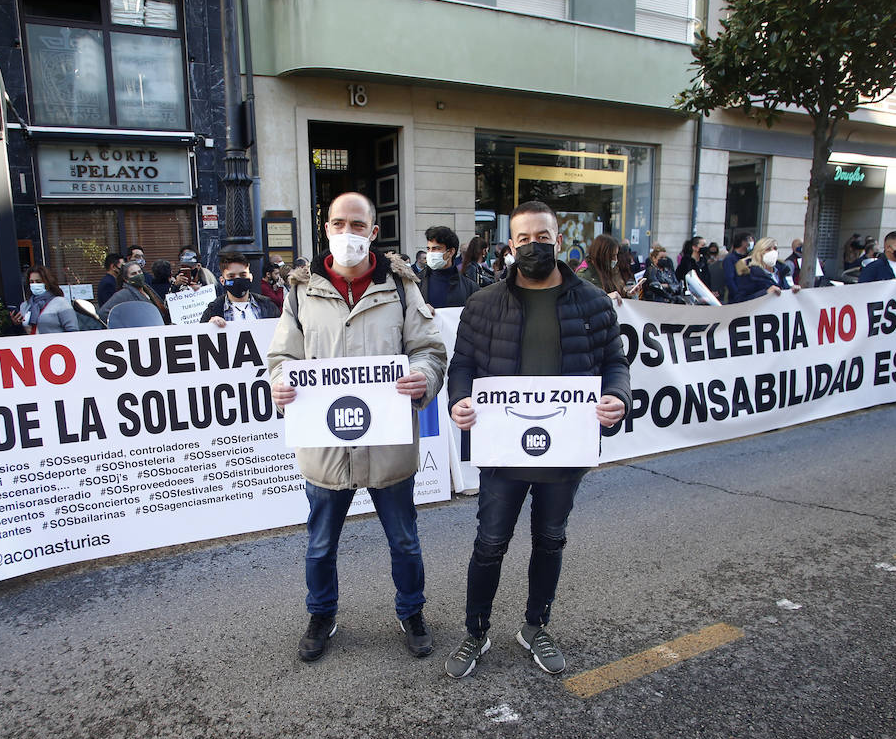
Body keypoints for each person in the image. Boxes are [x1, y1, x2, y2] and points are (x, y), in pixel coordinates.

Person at [443, 200, 631, 679]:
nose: (533, 246)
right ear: (510, 245)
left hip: (565, 451)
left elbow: (614, 362)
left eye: (542, 237)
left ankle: (535, 626)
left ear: (559, 241)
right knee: (490, 543)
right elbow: (462, 365)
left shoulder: (593, 302)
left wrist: (617, 397)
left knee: (550, 540)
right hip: (502, 451)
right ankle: (475, 631)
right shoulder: (483, 303)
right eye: (523, 239)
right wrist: (459, 400)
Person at [267, 192, 447, 664]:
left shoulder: (401, 287)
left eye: (358, 224)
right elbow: (282, 357)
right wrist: (281, 384)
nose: (348, 232)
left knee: (404, 541)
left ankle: (412, 612)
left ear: (373, 231)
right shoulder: (301, 291)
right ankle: (321, 615)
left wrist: (422, 377)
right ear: (326, 228)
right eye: (339, 223)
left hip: (388, 447)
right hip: (326, 450)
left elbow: (429, 350)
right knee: (320, 545)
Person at [202, 251, 281, 324]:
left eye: (243, 275)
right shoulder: (212, 311)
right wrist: (210, 327)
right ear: (222, 281)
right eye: (231, 276)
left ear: (250, 277)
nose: (238, 279)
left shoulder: (268, 307)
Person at [419, 225, 480, 310]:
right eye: (428, 249)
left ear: (451, 252)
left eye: (436, 248)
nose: (430, 253)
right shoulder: (416, 282)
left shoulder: (470, 287)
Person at [99, 260, 170, 324]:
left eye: (140, 272)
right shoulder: (124, 294)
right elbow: (103, 313)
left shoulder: (147, 288)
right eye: (134, 274)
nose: (138, 275)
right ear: (126, 279)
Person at [14, 266, 79, 333]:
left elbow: (72, 329)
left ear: (47, 282)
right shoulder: (25, 306)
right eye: (31, 282)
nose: (34, 284)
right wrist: (17, 324)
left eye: (38, 281)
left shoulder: (60, 302)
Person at [735, 238, 801, 300]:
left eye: (775, 248)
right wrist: (765, 293)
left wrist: (792, 289)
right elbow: (740, 300)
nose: (773, 252)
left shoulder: (783, 271)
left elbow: (786, 288)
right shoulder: (750, 273)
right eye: (768, 249)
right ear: (759, 253)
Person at [576, 234, 624, 300]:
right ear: (602, 255)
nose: (615, 259)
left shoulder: (609, 269)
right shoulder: (584, 274)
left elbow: (615, 290)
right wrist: (606, 298)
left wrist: (627, 292)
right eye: (612, 256)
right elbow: (582, 301)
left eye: (616, 255)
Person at [722, 232, 754, 303]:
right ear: (743, 242)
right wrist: (737, 294)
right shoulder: (730, 259)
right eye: (750, 240)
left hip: (749, 296)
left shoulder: (749, 258)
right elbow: (729, 279)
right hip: (737, 298)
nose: (752, 243)